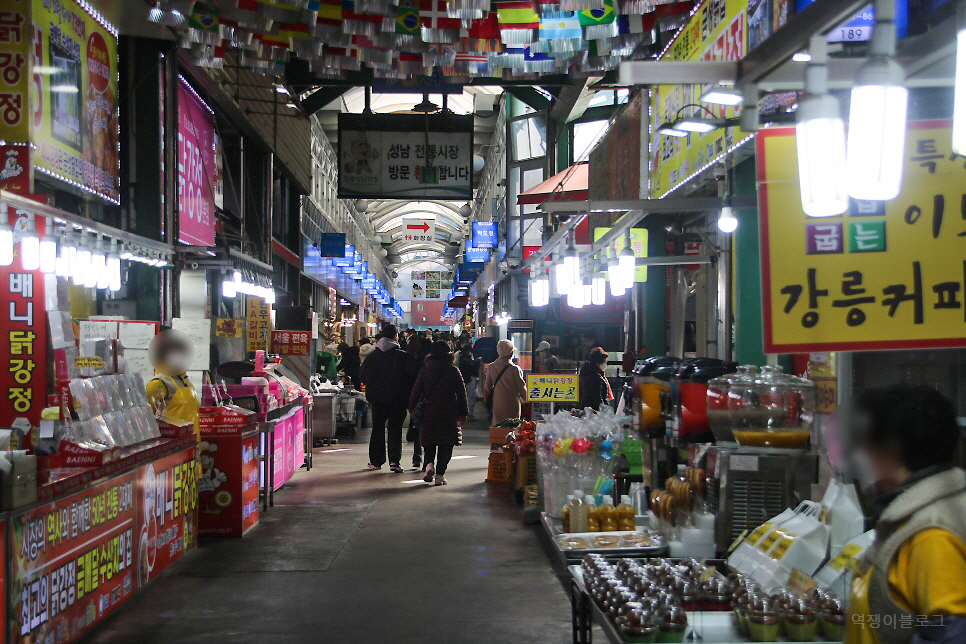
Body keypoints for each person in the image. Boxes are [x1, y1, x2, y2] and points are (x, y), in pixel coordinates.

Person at [843, 385, 966, 644]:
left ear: (891, 447)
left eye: (863, 441)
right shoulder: (924, 509)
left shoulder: (931, 535)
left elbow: (951, 634)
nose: (859, 453)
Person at [359, 324, 419, 473]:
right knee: (395, 429)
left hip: (377, 400)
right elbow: (413, 377)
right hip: (398, 399)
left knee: (377, 429)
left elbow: (362, 376)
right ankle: (394, 462)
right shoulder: (403, 356)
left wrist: (374, 386)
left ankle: (376, 461)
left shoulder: (372, 357)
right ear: (395, 337)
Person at [408, 341, 468, 486]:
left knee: (429, 441)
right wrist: (463, 413)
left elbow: (416, 392)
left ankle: (429, 464)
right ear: (449, 354)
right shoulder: (453, 371)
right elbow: (461, 394)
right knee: (446, 444)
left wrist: (411, 408)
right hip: (449, 413)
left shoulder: (425, 370)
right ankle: (440, 475)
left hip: (429, 412)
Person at [484, 339, 528, 425]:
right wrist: (525, 400)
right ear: (511, 353)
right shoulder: (515, 369)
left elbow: (487, 386)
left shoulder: (491, 367)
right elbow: (521, 388)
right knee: (512, 426)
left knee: (498, 427)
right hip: (512, 403)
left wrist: (497, 392)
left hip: (498, 403)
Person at [579, 347, 611, 411]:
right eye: (604, 361)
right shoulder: (595, 377)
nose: (605, 364)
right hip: (594, 411)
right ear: (599, 361)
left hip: (586, 408)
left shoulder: (586, 372)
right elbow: (597, 397)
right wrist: (604, 411)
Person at [456, 344, 481, 421]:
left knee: (469, 396)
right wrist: (477, 361)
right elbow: (472, 366)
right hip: (469, 379)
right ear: (468, 351)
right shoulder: (465, 359)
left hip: (467, 379)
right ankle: (469, 414)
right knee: (471, 397)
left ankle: (467, 413)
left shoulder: (462, 358)